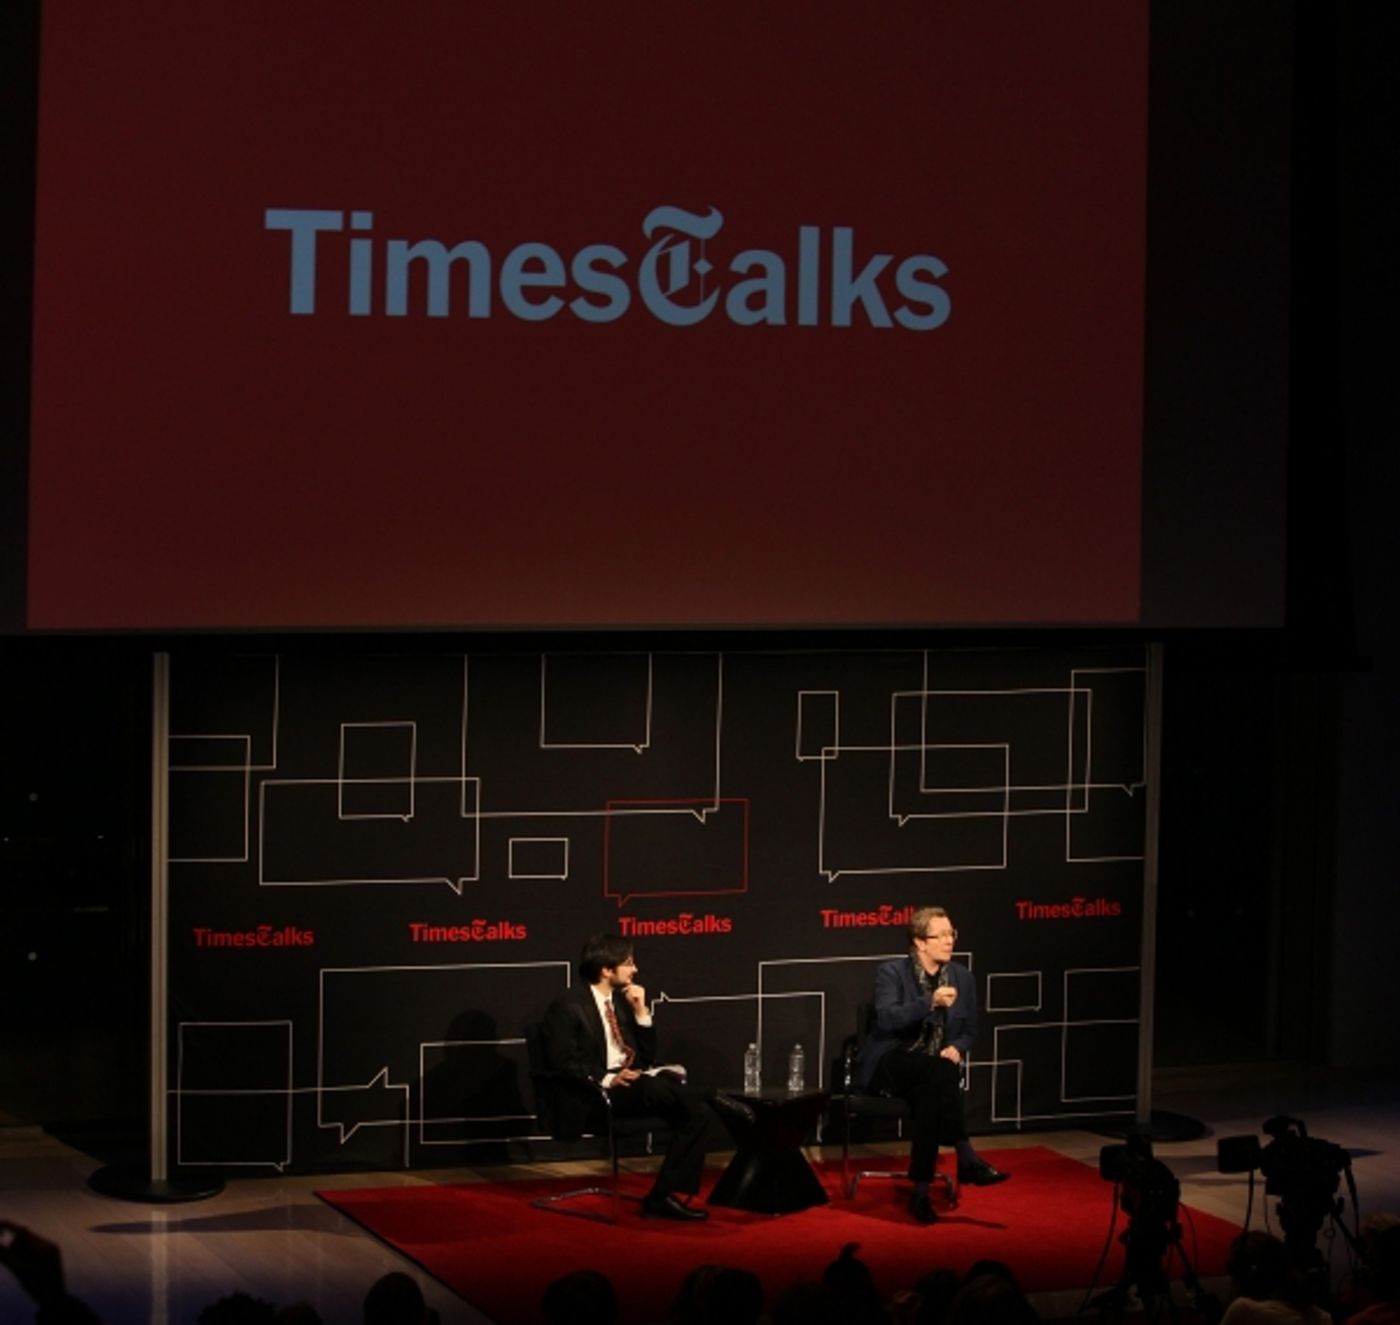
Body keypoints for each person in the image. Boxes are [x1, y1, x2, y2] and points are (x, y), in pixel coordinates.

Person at [541, 933, 744, 1221]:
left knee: (696, 1114)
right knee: (650, 1084)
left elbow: (647, 1057)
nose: (635, 969)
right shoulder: (567, 1006)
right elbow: (560, 1062)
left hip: (633, 1086)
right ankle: (714, 1095)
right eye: (628, 963)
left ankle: (661, 1198)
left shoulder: (621, 1002)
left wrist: (640, 1011)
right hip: (592, 1096)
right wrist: (606, 1079)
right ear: (606, 970)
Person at [853, 906, 1009, 1224]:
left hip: (932, 1069)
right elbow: (887, 1019)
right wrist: (929, 1002)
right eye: (942, 935)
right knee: (943, 1073)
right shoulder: (892, 973)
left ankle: (921, 1193)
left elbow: (970, 1031)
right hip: (891, 1061)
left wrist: (957, 1047)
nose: (950, 941)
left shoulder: (963, 978)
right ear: (920, 942)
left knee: (930, 1093)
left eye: (952, 933)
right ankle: (967, 1157)